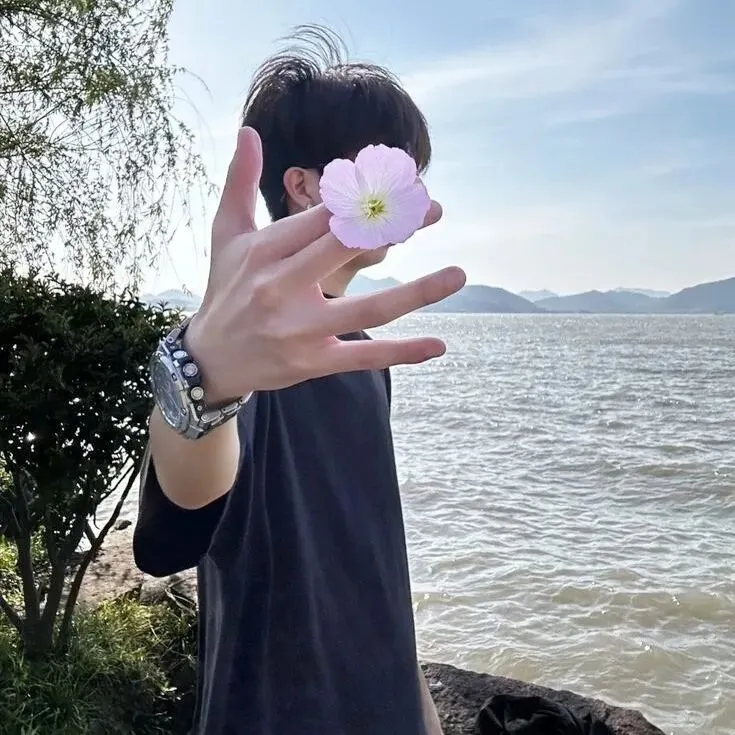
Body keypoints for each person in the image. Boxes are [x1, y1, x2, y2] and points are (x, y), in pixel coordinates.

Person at [133, 25, 466, 735]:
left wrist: (423, 711)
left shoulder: (364, 359)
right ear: (306, 184)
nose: (410, 192)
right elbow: (174, 531)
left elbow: (370, 564)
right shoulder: (240, 354)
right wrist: (203, 377)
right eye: (390, 167)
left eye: (413, 174)